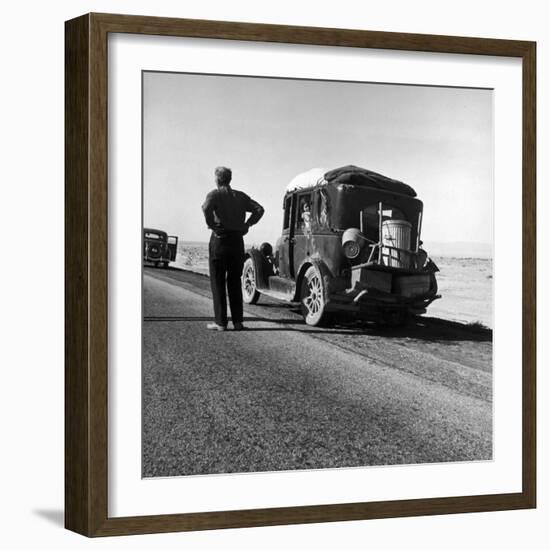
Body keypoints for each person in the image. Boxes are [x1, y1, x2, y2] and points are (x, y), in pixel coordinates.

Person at [201, 166, 264, 331]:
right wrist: (247, 224)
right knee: (235, 282)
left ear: (217, 179)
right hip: (237, 242)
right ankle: (238, 322)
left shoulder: (214, 194)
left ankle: (221, 322)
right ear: (229, 179)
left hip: (219, 241)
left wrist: (212, 225)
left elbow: (205, 208)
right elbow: (259, 209)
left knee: (218, 282)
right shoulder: (240, 196)